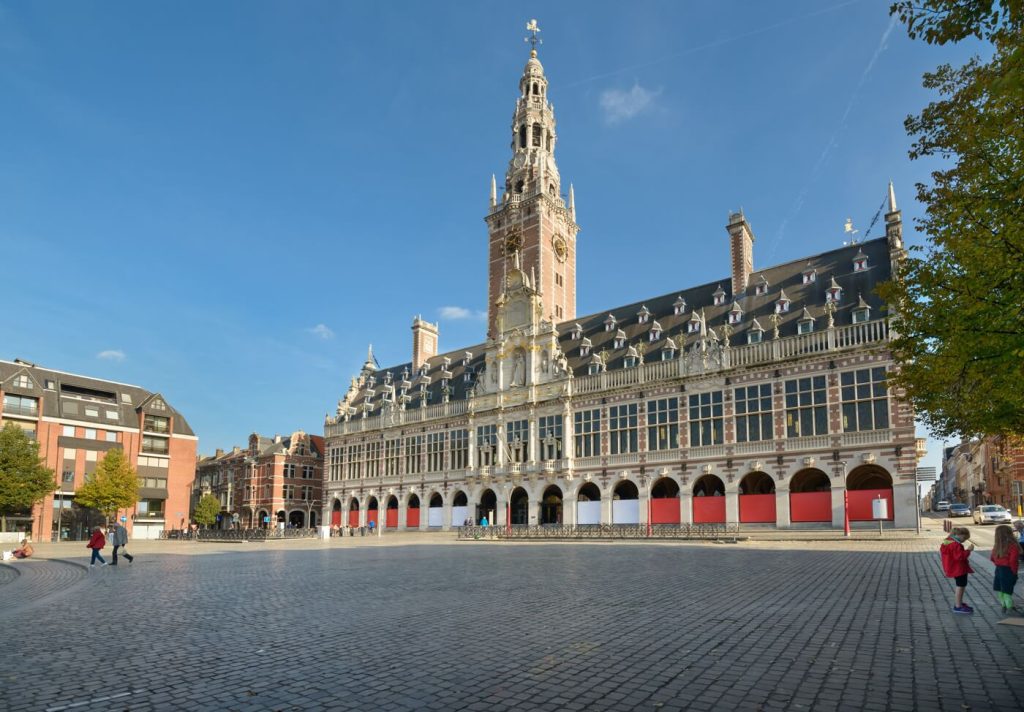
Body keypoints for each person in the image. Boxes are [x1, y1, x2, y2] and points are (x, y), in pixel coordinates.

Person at [941, 526, 975, 614]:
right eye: (964, 538)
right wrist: (968, 550)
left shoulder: (947, 541)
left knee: (961, 585)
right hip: (958, 569)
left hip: (953, 567)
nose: (964, 540)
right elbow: (959, 557)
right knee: (960, 586)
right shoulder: (956, 545)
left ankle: (959, 602)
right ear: (958, 535)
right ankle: (958, 606)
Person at [991, 524, 1021, 614]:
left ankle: (1003, 605)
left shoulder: (997, 546)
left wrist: (998, 563)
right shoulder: (1013, 546)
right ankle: (1009, 606)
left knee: (1001, 588)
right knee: (1007, 589)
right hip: (1008, 570)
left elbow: (992, 558)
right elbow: (1013, 561)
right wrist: (1014, 572)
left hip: (999, 570)